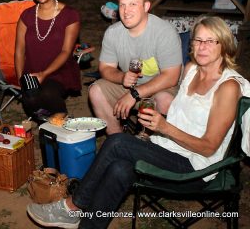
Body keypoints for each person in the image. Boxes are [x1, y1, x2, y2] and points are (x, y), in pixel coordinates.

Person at [27, 15, 249, 228]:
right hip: (170, 149)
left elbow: (209, 147)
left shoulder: (228, 87)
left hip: (197, 167)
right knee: (120, 169)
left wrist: (163, 126)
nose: (202, 47)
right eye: (198, 40)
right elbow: (187, 114)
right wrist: (158, 125)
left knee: (118, 142)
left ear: (225, 45)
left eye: (211, 41)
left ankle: (73, 205)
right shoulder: (192, 70)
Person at [89, 0, 182, 134]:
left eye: (133, 4)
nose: (126, 11)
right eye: (122, 5)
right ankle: (117, 141)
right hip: (130, 88)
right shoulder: (113, 33)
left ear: (146, 7)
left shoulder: (164, 32)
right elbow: (105, 68)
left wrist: (135, 94)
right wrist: (122, 77)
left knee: (165, 101)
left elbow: (171, 77)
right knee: (96, 90)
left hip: (161, 89)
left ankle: (157, 148)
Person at [15, 0, 84, 119]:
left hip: (59, 70)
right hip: (32, 70)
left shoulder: (70, 15)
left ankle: (60, 124)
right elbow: (19, 50)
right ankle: (47, 127)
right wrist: (21, 79)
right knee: (30, 99)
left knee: (48, 94)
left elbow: (66, 51)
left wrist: (44, 74)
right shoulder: (26, 16)